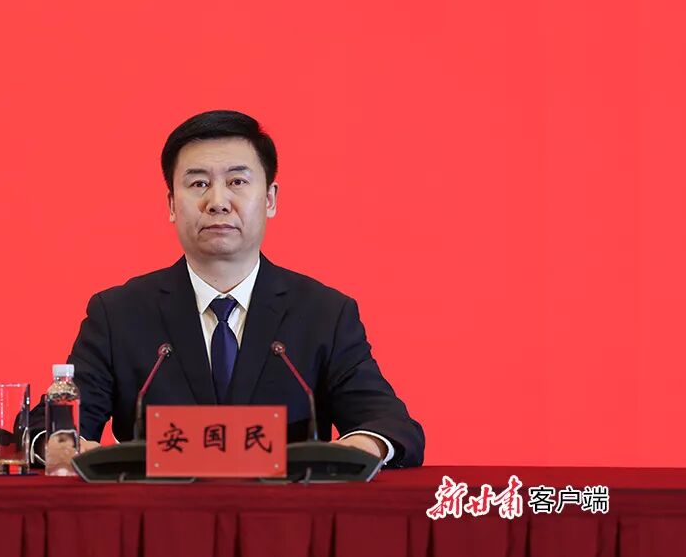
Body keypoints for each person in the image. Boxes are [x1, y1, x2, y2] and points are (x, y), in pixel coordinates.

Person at [38, 110, 424, 468]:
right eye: (199, 184)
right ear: (172, 204)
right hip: (159, 512)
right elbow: (49, 426)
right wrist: (60, 445)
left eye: (237, 182)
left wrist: (357, 450)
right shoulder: (119, 314)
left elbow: (389, 424)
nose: (217, 202)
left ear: (269, 199)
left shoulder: (324, 314)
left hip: (284, 513)